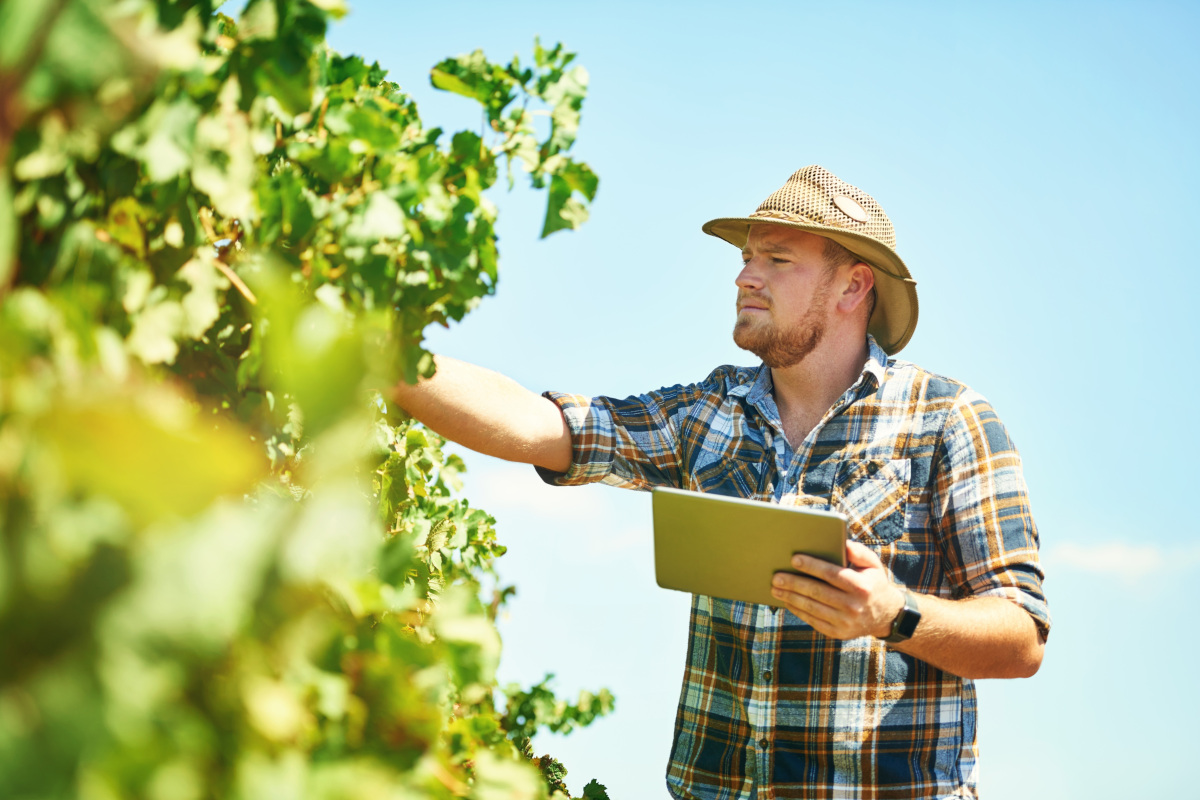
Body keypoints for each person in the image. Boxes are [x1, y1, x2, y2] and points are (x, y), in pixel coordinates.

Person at [392, 165, 1050, 800]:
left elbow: (1022, 635)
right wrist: (383, 354)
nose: (744, 276)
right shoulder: (706, 414)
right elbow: (547, 427)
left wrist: (891, 613)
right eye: (746, 258)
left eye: (777, 260)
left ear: (853, 287)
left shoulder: (949, 421)